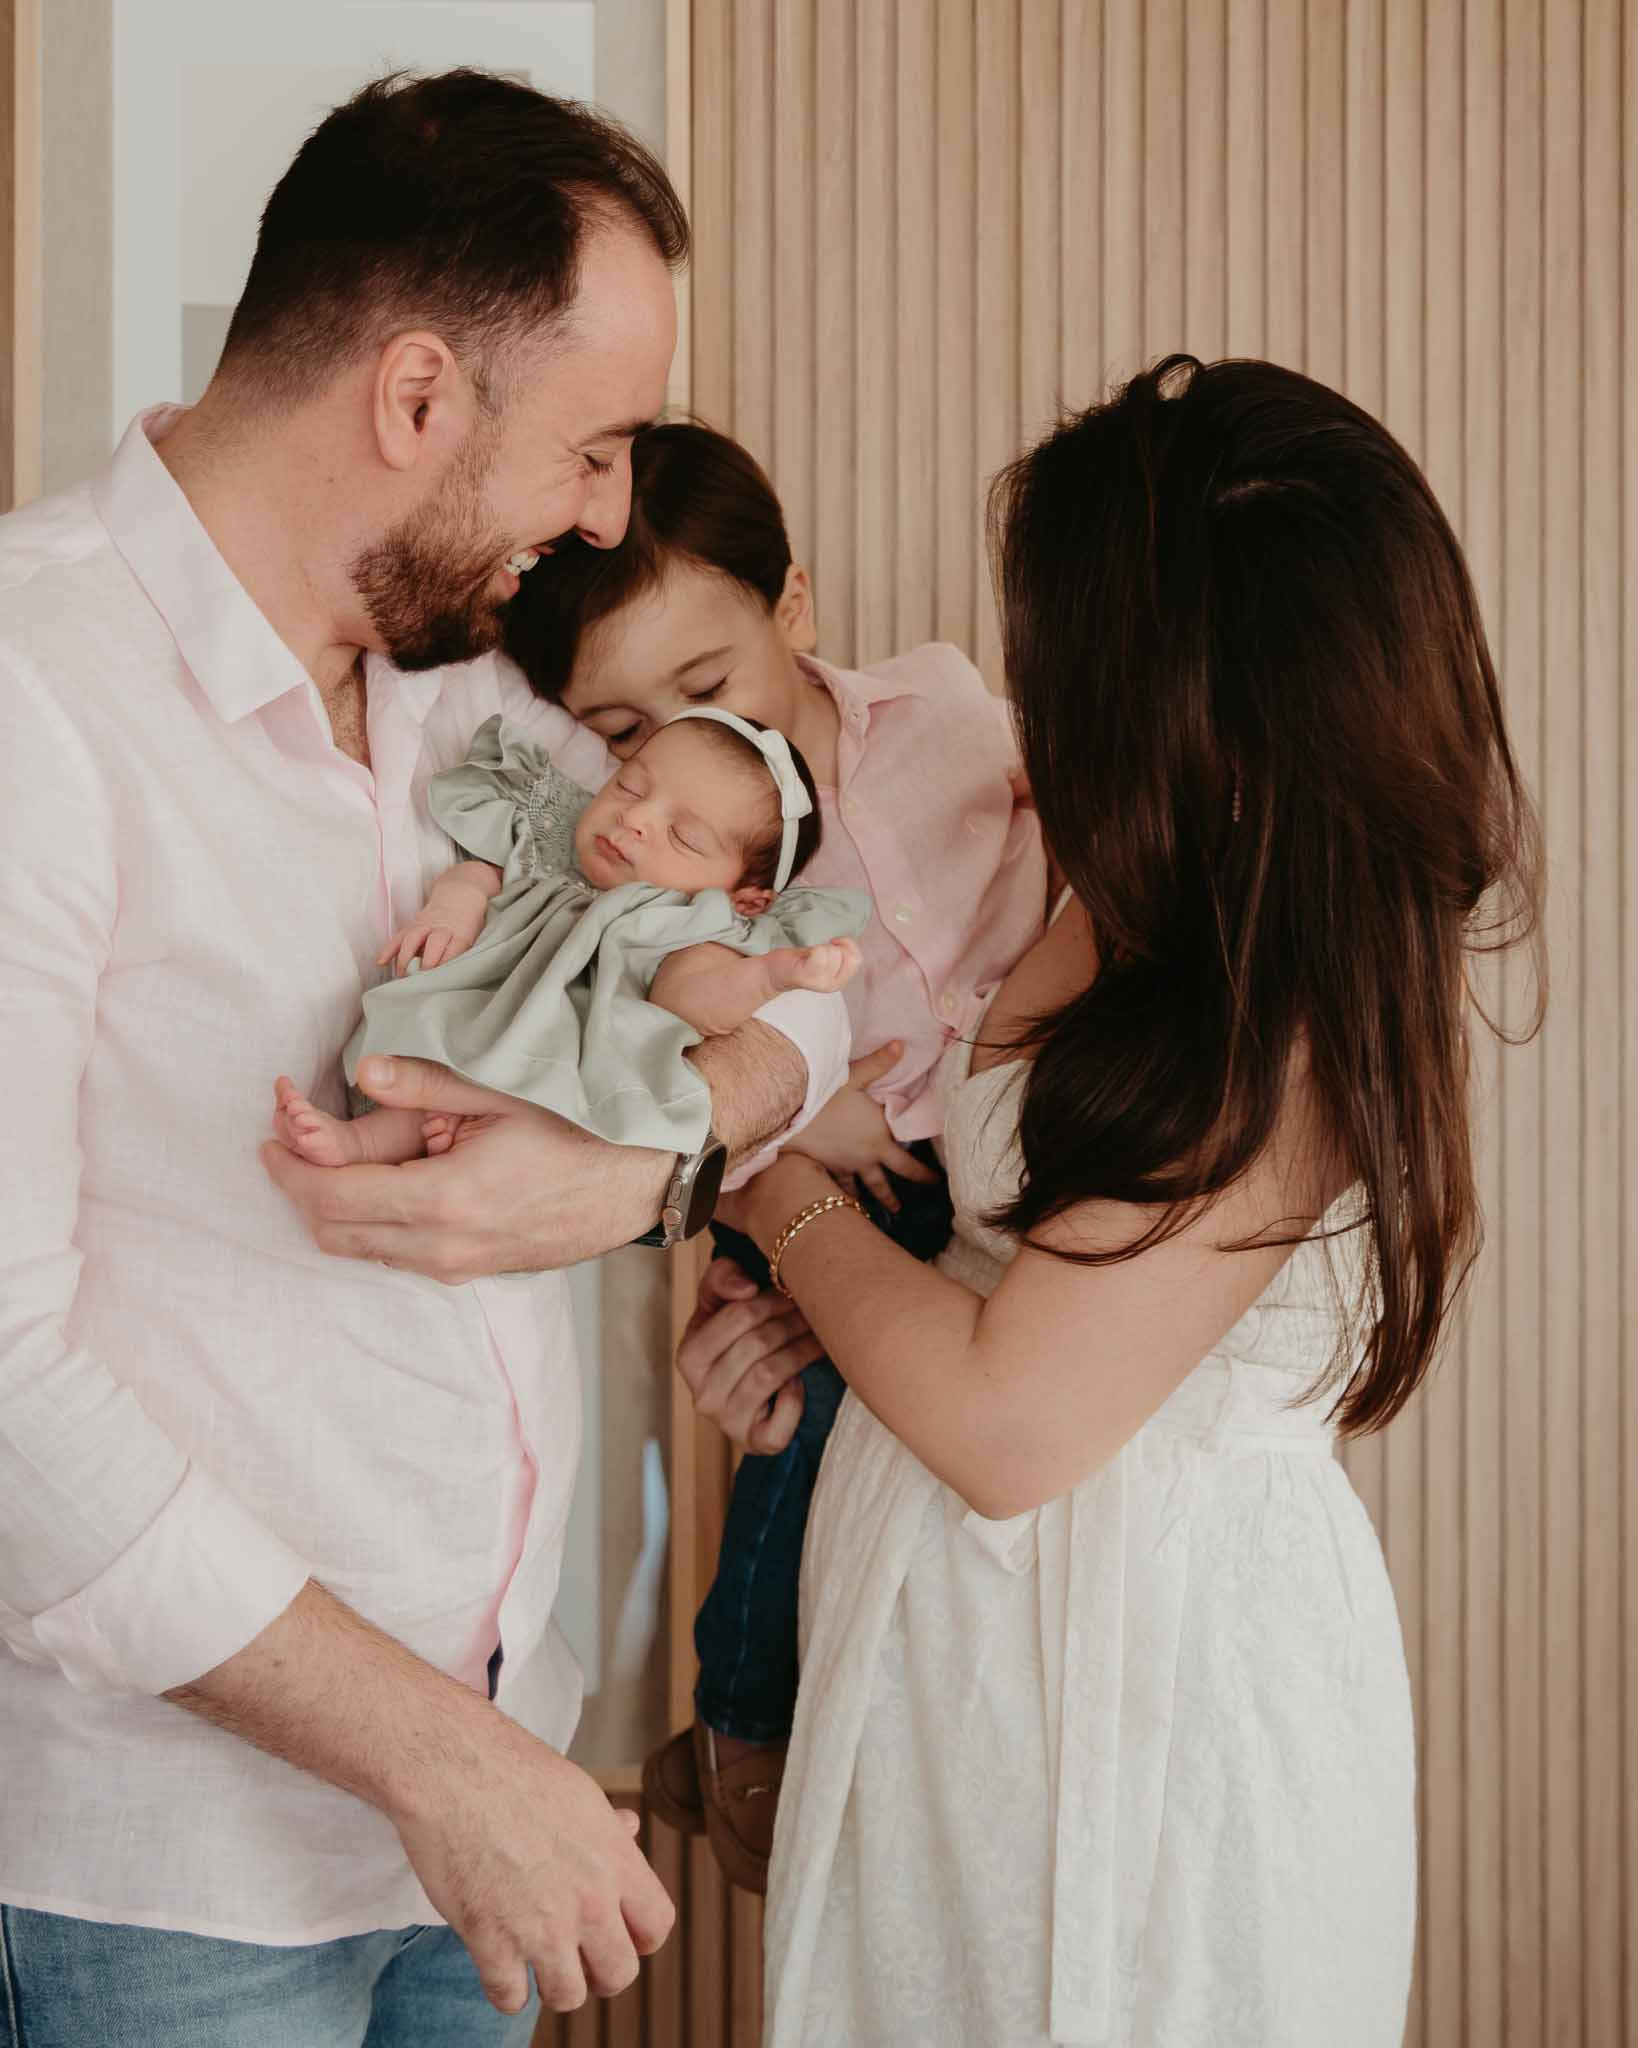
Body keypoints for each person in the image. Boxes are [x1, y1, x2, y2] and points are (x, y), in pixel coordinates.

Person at [0, 70, 849, 2048]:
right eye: (594, 445)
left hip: (474, 1830)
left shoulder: (470, 692)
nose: (611, 514)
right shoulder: (36, 693)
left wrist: (658, 1155)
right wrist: (442, 1761)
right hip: (179, 1890)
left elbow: (800, 967)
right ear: (413, 396)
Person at [676, 356, 1542, 2044]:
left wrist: (774, 1185)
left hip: (1156, 1673)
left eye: (1062, 659)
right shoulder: (1115, 869)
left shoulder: (1294, 1003)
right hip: (955, 1640)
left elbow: (1009, 1418)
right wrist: (796, 1337)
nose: (1030, 696)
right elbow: (971, 1251)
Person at [502, 420, 1049, 1889]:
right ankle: (742, 1720)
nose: (678, 749)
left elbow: (1057, 808)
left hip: (1002, 1149)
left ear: (792, 609)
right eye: (621, 732)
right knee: (799, 1425)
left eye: (709, 685)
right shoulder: (666, 860)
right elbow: (657, 1071)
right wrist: (804, 1121)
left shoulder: (939, 704)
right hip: (842, 1175)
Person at [275, 710, 864, 1169]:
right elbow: (484, 869)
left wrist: (770, 976)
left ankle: (367, 1145)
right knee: (429, 1061)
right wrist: (455, 904)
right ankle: (367, 1138)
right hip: (470, 1014)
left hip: (554, 1063)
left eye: (683, 836)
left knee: (495, 1098)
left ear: (745, 899)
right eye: (630, 787)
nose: (636, 819)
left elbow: (689, 1000)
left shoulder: (692, 923)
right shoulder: (553, 833)